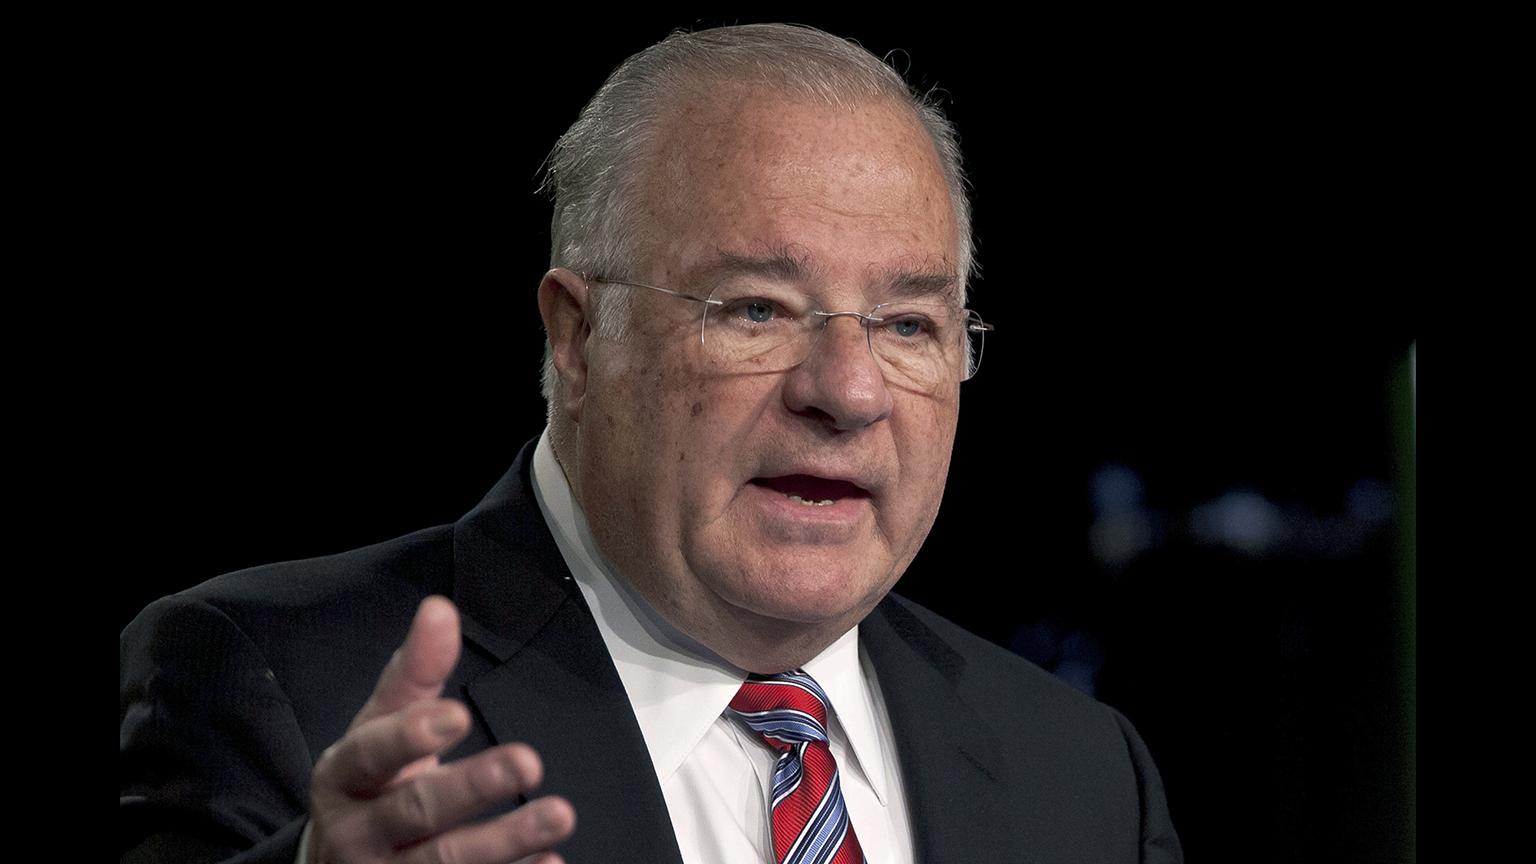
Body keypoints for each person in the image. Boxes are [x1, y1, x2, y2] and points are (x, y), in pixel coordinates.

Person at [121, 23, 1183, 864]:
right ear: (577, 336)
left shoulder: (1080, 773)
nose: (849, 392)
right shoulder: (277, 686)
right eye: (758, 309)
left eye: (909, 326)